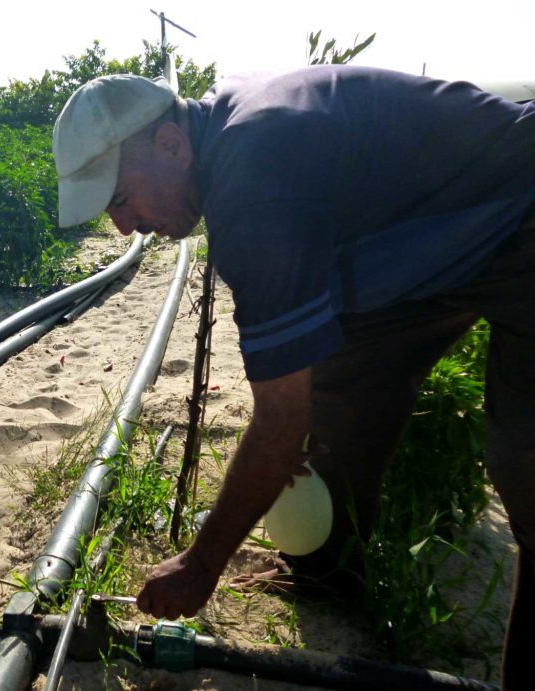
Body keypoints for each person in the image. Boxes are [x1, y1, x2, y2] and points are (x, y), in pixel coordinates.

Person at [53, 67, 534, 687]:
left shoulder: (252, 187)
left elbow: (278, 418)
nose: (123, 227)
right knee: (339, 392)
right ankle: (328, 578)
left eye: (120, 199)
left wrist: (202, 566)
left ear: (171, 145)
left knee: (526, 466)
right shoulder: (226, 130)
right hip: (432, 243)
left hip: (520, 217)